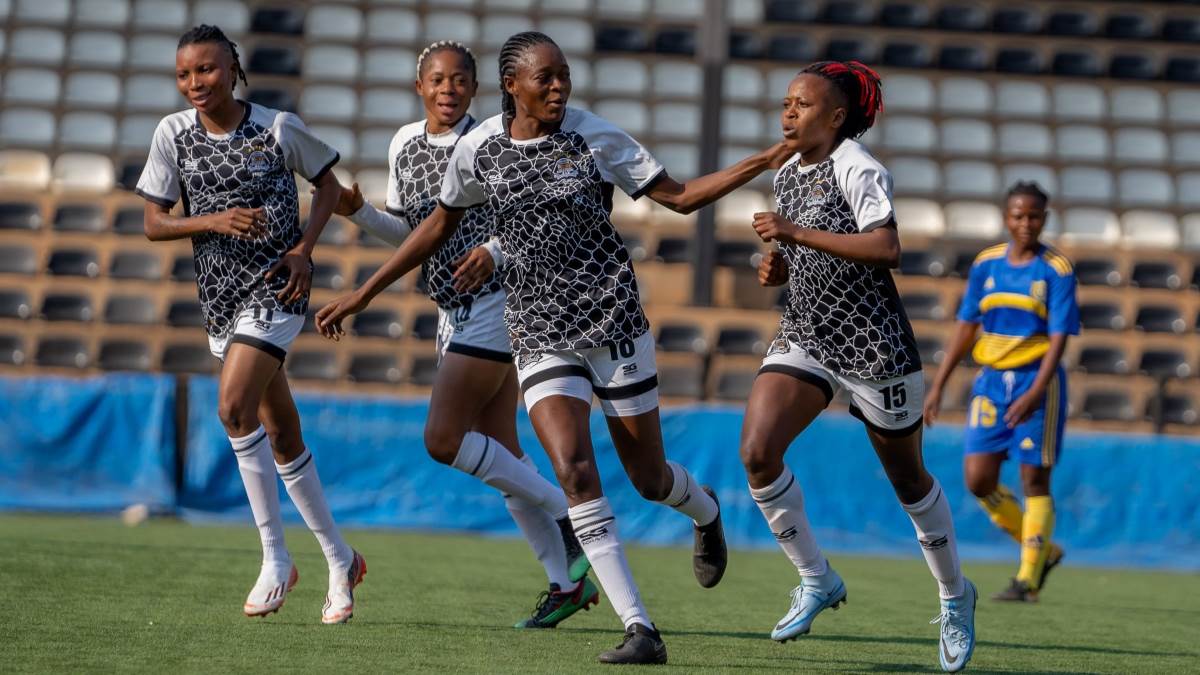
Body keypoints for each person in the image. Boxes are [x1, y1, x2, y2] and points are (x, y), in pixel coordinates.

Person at [315, 31, 795, 665]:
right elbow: (433, 226)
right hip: (537, 330)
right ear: (513, 87)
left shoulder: (595, 135)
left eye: (563, 75)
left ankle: (705, 513)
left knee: (648, 479)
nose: (559, 86)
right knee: (572, 468)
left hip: (611, 319)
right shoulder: (480, 147)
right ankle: (640, 627)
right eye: (545, 78)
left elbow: (680, 198)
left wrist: (761, 162)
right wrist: (363, 294)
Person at [325, 40, 595, 628]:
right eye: (437, 80)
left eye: (459, 81)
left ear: (477, 89)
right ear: (420, 87)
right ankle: (563, 581)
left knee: (444, 439)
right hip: (452, 309)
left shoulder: (493, 142)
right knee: (501, 451)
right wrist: (358, 211)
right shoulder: (403, 144)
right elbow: (410, 236)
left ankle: (572, 516)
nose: (447, 89)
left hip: (501, 301)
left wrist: (494, 251)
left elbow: (527, 221)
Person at [746, 61, 976, 672]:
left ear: (838, 116)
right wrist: (778, 268)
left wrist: (794, 234)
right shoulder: (788, 172)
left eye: (802, 104)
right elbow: (802, 255)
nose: (789, 112)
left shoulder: (858, 167)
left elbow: (885, 246)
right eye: (786, 102)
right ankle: (816, 577)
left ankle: (955, 595)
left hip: (873, 346)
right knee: (757, 452)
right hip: (806, 335)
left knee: (909, 481)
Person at [135, 25, 364, 624]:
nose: (195, 84)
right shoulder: (172, 135)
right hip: (220, 302)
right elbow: (155, 224)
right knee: (282, 436)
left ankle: (274, 557)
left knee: (233, 409)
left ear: (232, 69)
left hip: (276, 292)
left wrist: (304, 251)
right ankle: (340, 559)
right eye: (184, 74)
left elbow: (329, 185)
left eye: (206, 70)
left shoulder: (278, 127)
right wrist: (211, 220)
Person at [924, 181, 1076, 603]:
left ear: (1044, 219)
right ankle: (1043, 548)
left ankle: (1027, 580)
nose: (1025, 223)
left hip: (1036, 384)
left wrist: (1037, 390)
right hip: (991, 383)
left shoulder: (1057, 270)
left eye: (1033, 216)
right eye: (1018, 215)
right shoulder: (986, 264)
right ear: (1006, 218)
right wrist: (938, 385)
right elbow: (967, 326)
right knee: (978, 479)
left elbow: (1060, 336)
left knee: (1034, 478)